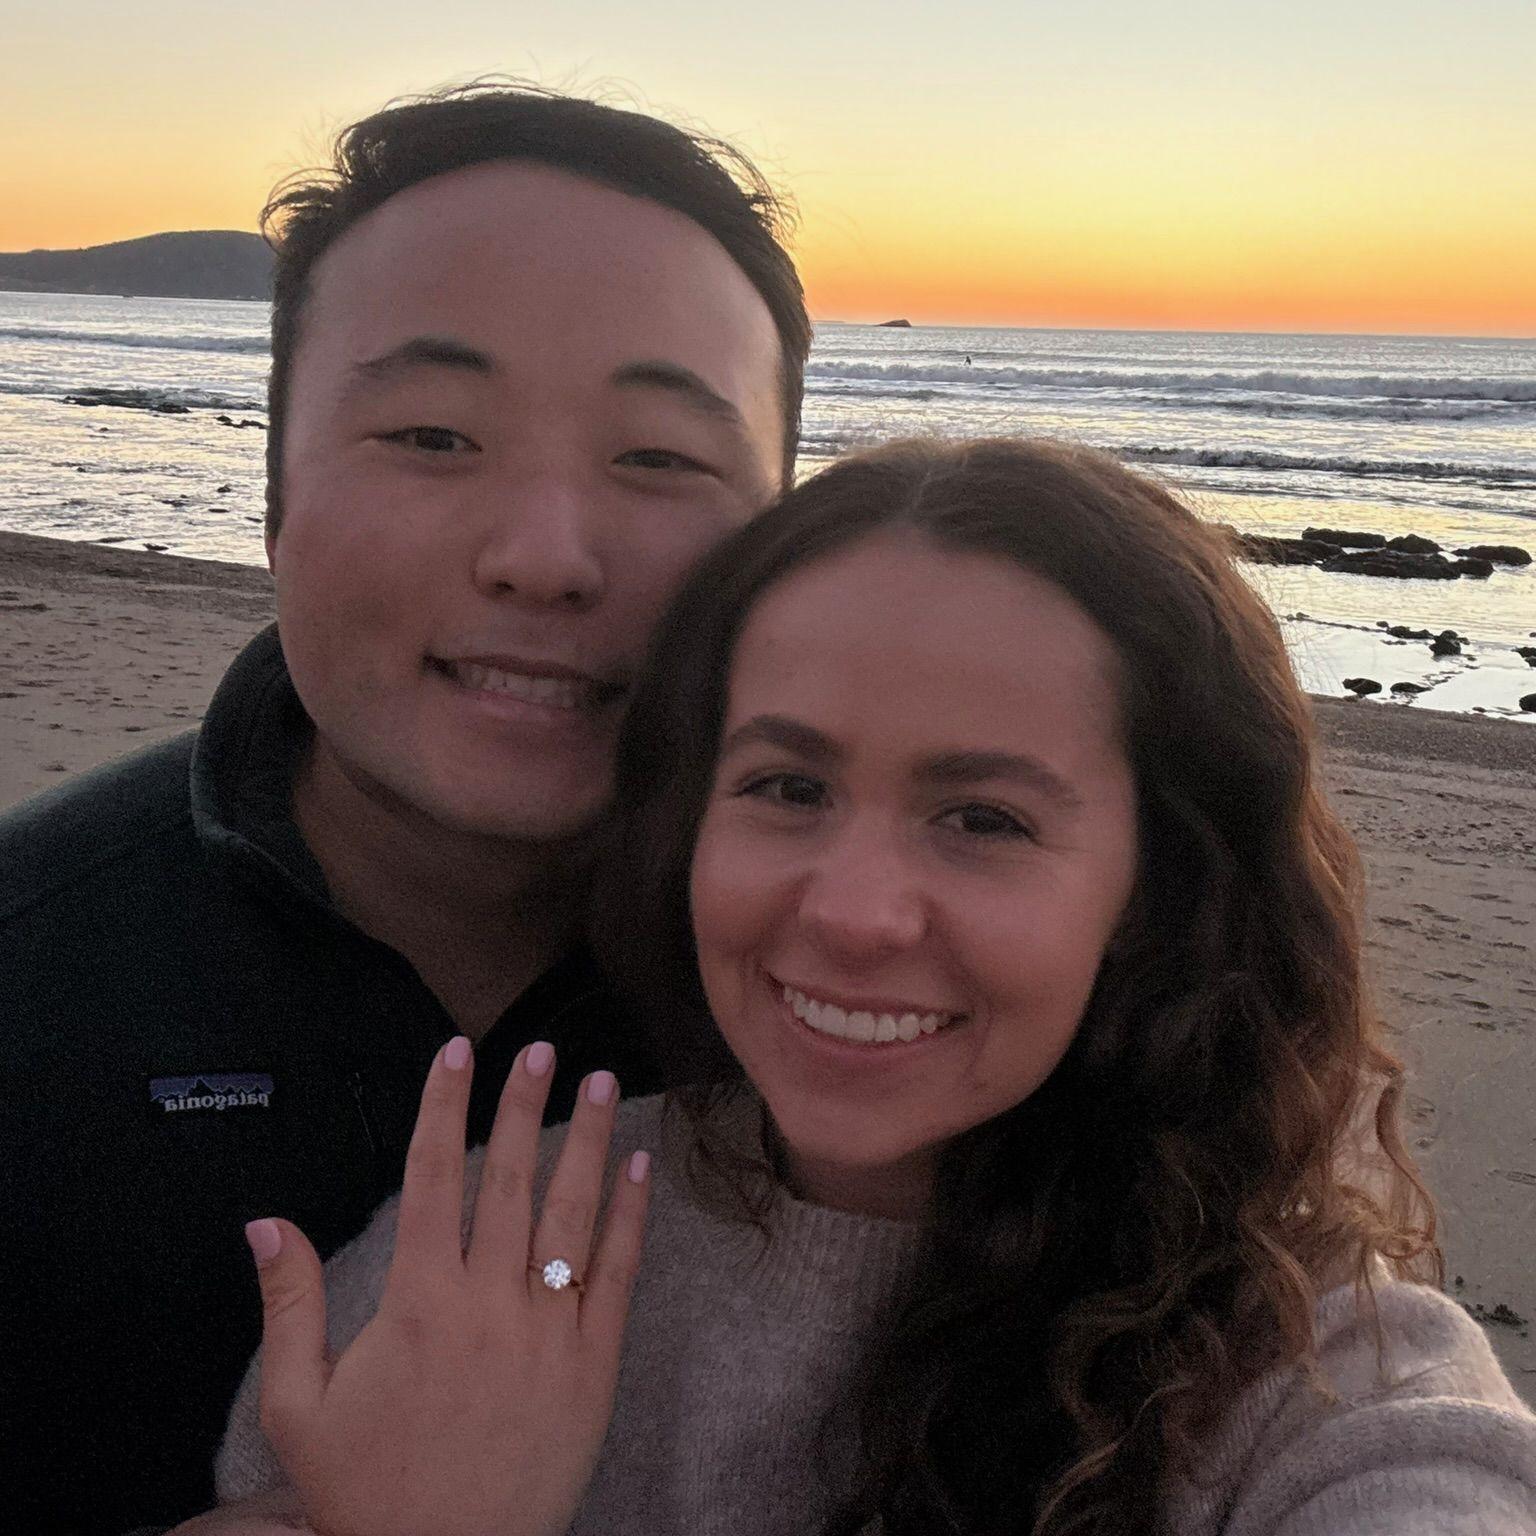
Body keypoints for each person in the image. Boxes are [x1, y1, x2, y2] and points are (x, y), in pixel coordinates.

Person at [205, 439, 1536, 1535]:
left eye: (984, 819)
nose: (851, 914)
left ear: (1155, 889)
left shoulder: (1317, 1375)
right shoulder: (491, 1249)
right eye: (788, 787)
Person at [0, 81, 809, 1535]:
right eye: (434, 436)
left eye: (659, 458)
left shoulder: (883, 1004)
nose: (545, 558)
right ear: (272, 501)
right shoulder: (32, 970)